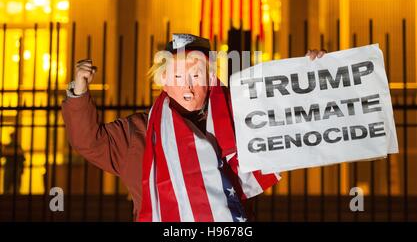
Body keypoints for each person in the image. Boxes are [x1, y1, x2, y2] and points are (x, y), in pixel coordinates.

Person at [61, 34, 325, 222]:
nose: (187, 86)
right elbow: (89, 142)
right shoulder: (137, 132)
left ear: (210, 79)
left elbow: (292, 123)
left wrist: (314, 76)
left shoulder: (240, 122)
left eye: (195, 75)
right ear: (163, 81)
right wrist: (79, 92)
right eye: (177, 76)